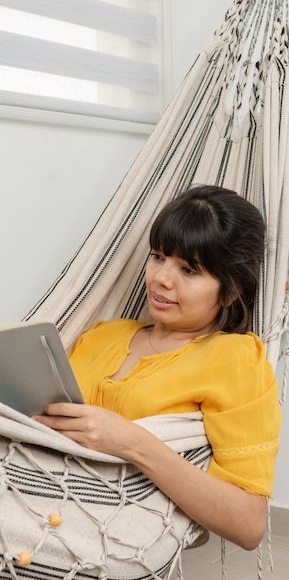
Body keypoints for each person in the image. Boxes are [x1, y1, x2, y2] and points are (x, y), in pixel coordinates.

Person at [34, 185, 281, 551]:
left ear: (231, 290)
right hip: (32, 498)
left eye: (189, 269)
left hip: (107, 540)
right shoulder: (103, 334)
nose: (161, 278)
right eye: (158, 256)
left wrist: (132, 442)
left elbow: (248, 525)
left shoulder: (235, 359)